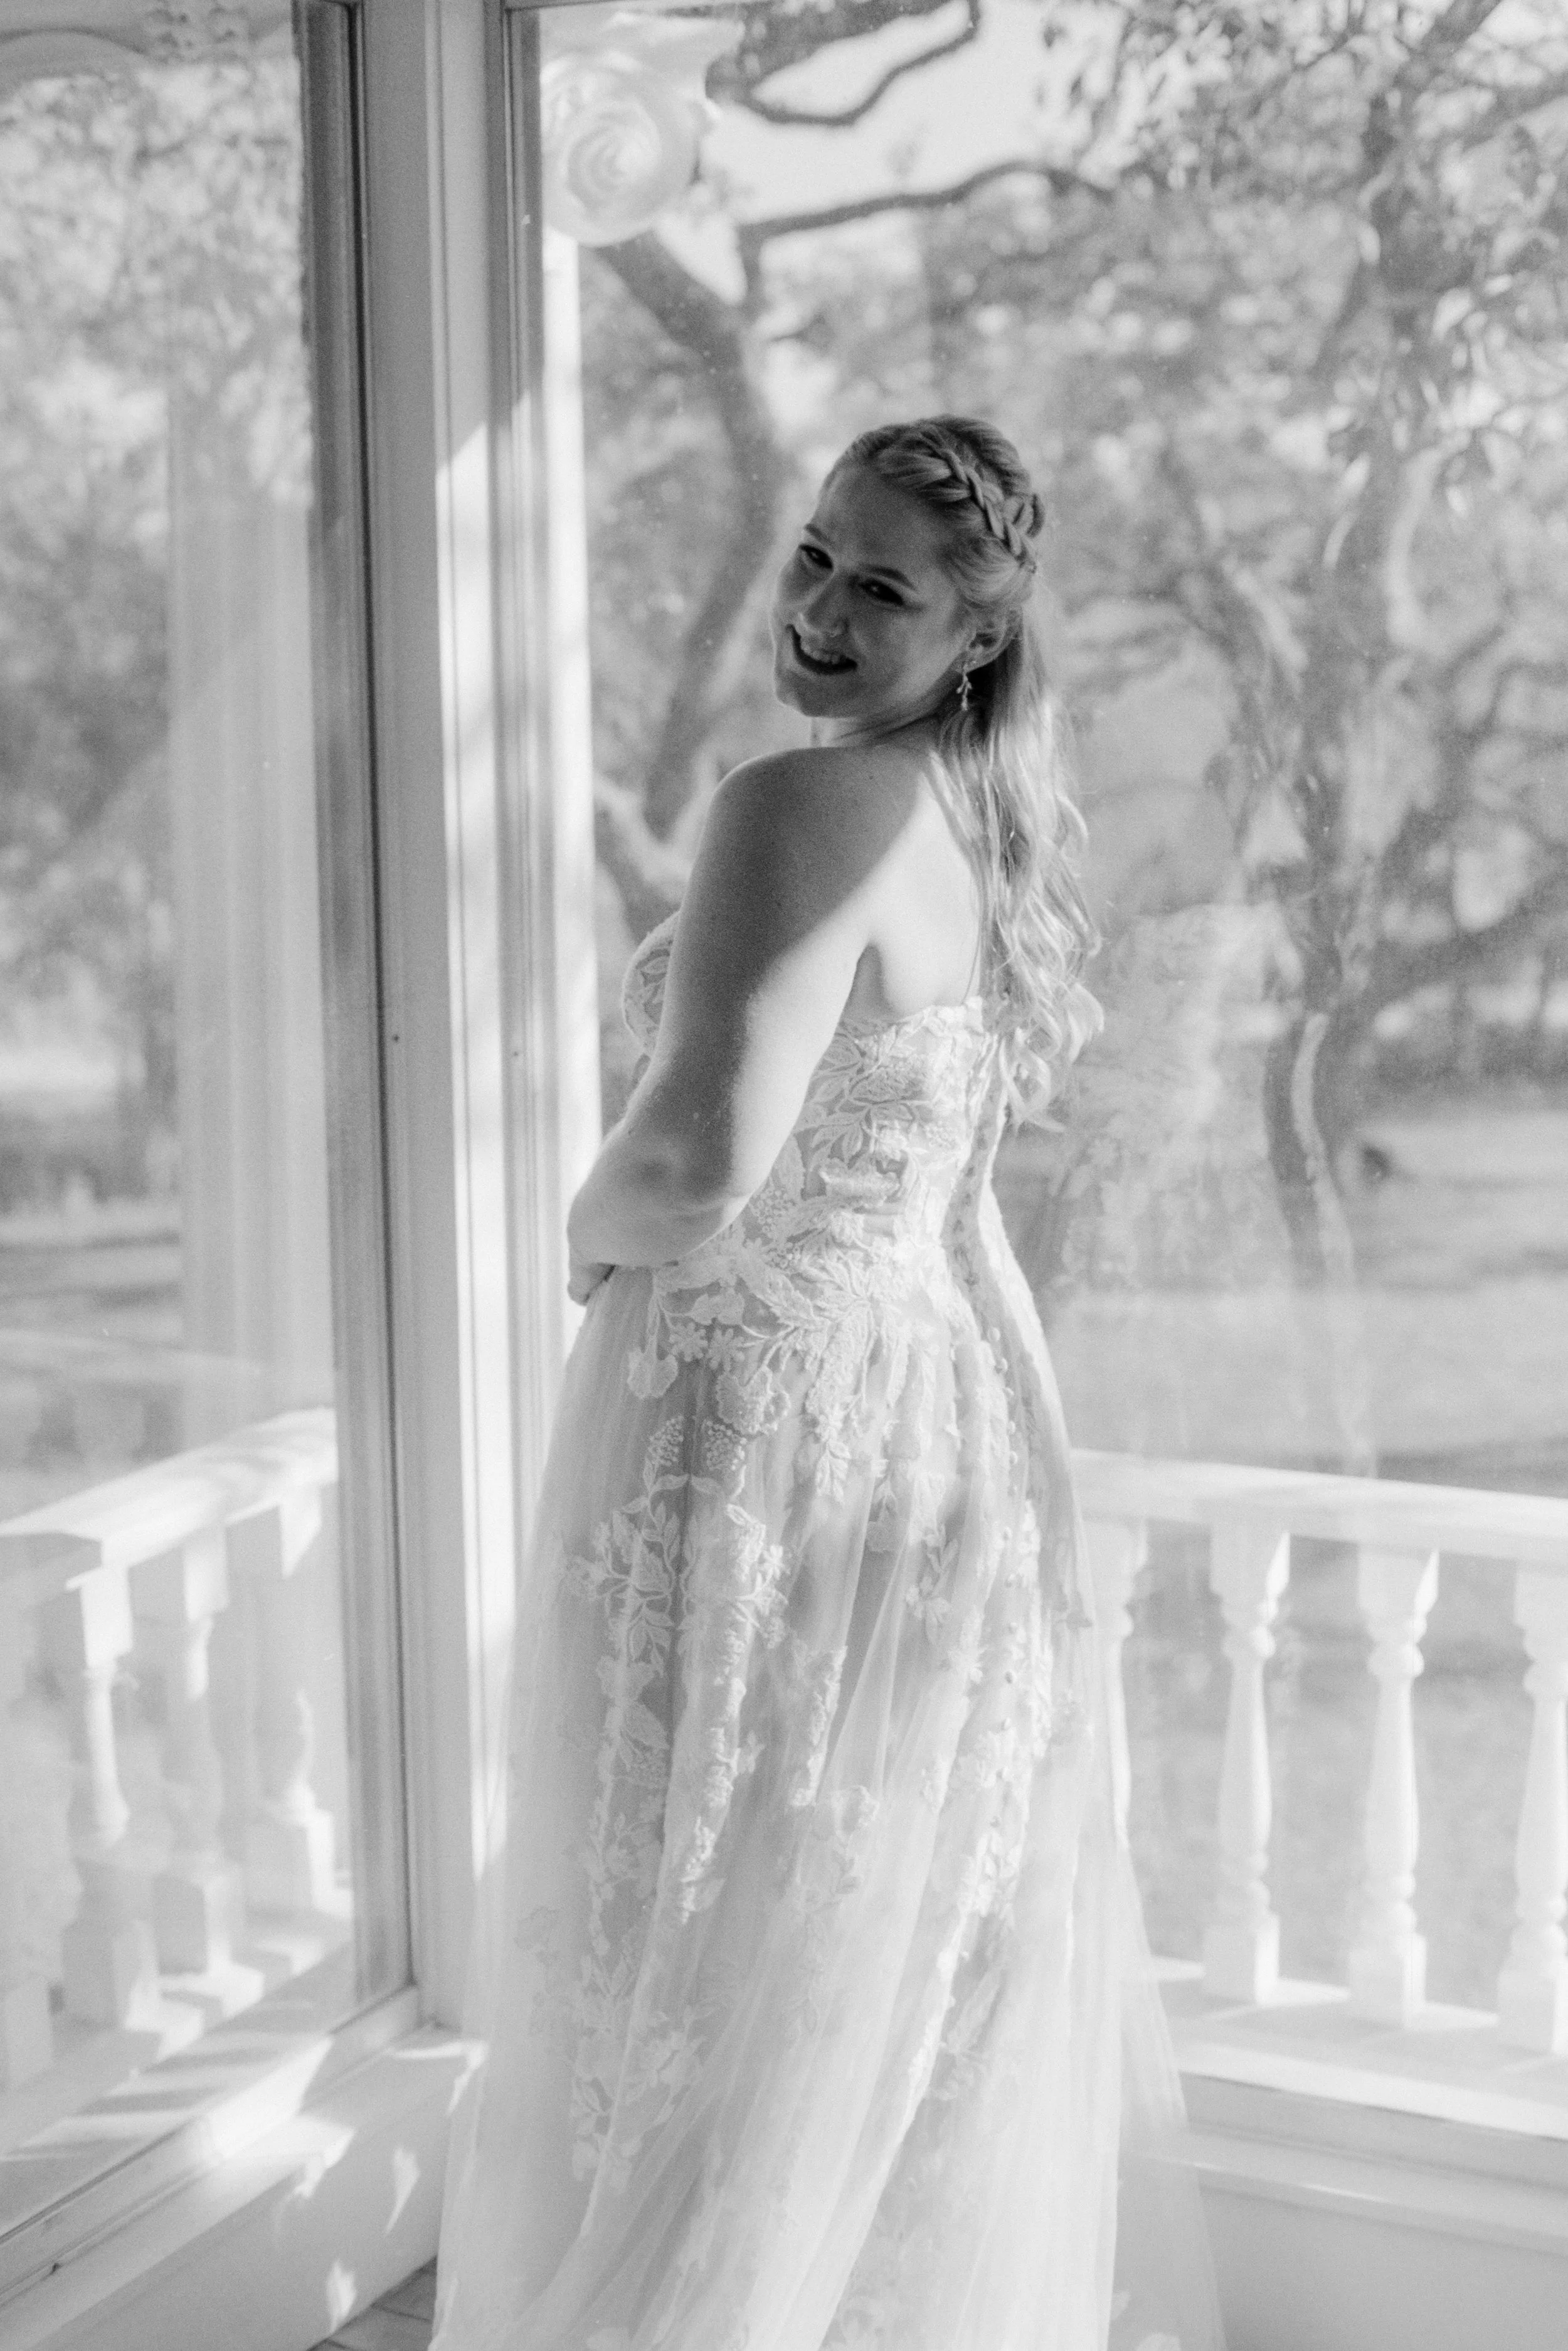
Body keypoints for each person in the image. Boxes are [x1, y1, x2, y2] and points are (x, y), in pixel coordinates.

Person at [431, 416, 1223, 2351]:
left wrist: (575, 1239)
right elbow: (941, 1195)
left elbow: (697, 1153)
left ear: (971, 636)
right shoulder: (965, 818)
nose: (817, 609)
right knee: (830, 1959)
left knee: (695, 1943)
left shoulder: (794, 810)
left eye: (880, 586)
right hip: (922, 1426)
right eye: (811, 556)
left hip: (755, 1433)